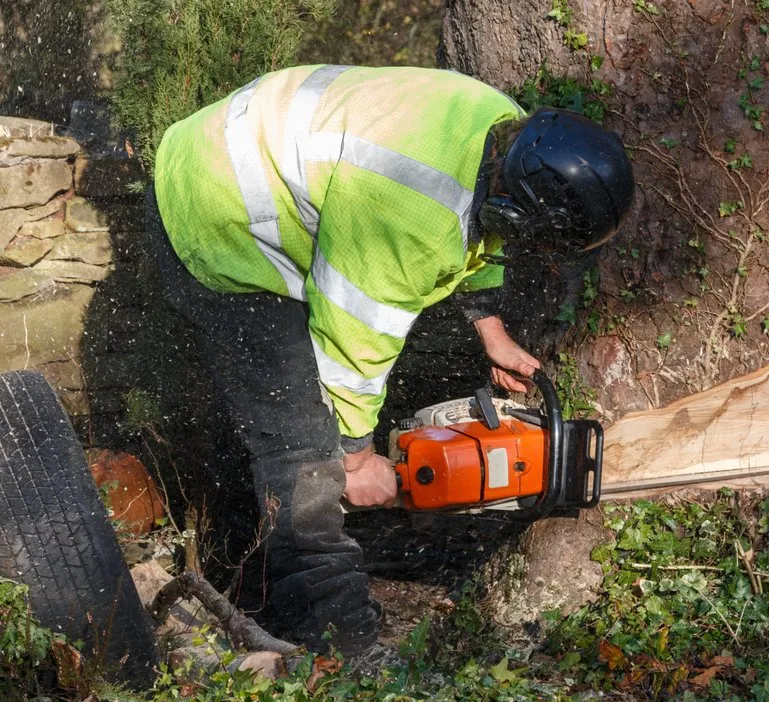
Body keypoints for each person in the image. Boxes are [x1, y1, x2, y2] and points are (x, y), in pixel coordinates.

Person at [146, 64, 634, 659]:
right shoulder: (408, 209)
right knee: (304, 449)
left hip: (251, 154)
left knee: (275, 423)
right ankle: (339, 643)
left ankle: (251, 582)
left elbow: (481, 233)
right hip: (215, 206)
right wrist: (356, 457)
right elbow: (348, 351)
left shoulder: (503, 134)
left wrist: (490, 327)